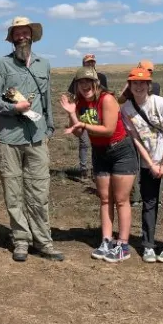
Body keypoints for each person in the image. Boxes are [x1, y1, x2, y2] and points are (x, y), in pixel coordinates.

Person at [0, 16, 64, 262]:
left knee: (39, 192)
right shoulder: (1, 65)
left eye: (25, 32)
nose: (21, 37)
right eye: (17, 33)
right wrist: (15, 108)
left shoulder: (44, 64)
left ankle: (44, 241)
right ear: (11, 38)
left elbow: (47, 98)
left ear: (32, 35)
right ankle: (21, 240)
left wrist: (49, 127)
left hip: (37, 137)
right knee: (14, 193)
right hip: (9, 139)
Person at [61, 67, 138, 263]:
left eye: (88, 81)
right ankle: (106, 240)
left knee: (121, 199)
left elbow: (108, 129)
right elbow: (78, 133)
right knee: (104, 198)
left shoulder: (107, 99)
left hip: (120, 151)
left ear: (96, 83)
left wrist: (84, 125)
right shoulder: (79, 103)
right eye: (80, 82)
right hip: (100, 153)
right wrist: (72, 114)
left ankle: (122, 245)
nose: (84, 85)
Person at [121, 67, 163, 263]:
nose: (139, 87)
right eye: (135, 83)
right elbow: (136, 139)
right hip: (149, 164)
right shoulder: (127, 109)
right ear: (129, 86)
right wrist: (150, 163)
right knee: (149, 203)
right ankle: (148, 245)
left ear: (149, 85)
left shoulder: (162, 103)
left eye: (143, 83)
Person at [118, 59, 161, 208]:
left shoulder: (132, 87)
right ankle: (154, 197)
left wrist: (128, 83)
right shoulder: (155, 86)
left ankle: (136, 197)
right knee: (154, 161)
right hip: (150, 132)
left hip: (135, 129)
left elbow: (120, 99)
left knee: (136, 163)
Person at [67, 54, 108, 180]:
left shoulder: (101, 77)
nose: (90, 64)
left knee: (98, 143)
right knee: (84, 142)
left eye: (92, 62)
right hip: (83, 111)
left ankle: (98, 170)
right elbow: (72, 93)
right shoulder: (77, 78)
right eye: (87, 62)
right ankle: (84, 169)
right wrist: (73, 108)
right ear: (83, 64)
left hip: (97, 113)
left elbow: (105, 93)